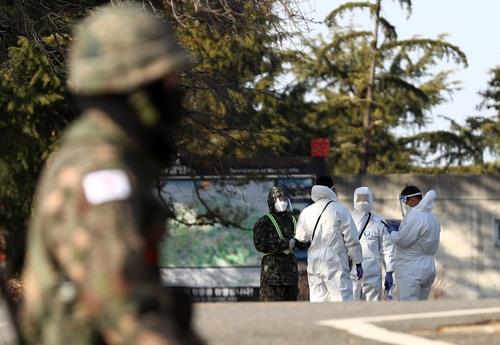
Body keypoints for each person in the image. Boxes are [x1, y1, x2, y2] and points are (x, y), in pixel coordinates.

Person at [20, 4, 203, 345]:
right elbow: (125, 311)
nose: (176, 87)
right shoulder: (102, 172)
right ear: (134, 87)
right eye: (165, 77)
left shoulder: (99, 156)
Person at [293, 175, 363, 302]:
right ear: (332, 189)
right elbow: (352, 240)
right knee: (341, 299)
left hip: (314, 258)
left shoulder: (306, 212)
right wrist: (358, 262)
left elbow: (301, 238)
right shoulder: (340, 210)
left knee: (317, 300)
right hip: (334, 258)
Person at [386, 185, 441, 300]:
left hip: (411, 270)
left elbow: (402, 241)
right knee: (421, 308)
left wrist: (392, 232)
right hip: (428, 268)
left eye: (406, 202)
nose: (406, 205)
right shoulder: (433, 217)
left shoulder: (416, 215)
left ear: (413, 200)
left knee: (409, 308)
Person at [253, 186, 306, 301]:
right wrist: (285, 244)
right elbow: (260, 244)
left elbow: (303, 242)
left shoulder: (293, 220)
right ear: (272, 201)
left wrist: (297, 242)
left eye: (285, 199)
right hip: (273, 275)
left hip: (290, 274)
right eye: (279, 199)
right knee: (270, 308)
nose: (282, 202)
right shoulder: (264, 222)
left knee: (291, 308)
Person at [350, 187, 395, 301]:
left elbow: (387, 248)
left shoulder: (378, 221)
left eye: (365, 198)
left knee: (367, 307)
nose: (363, 201)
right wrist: (389, 271)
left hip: (370, 275)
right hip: (353, 273)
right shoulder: (346, 218)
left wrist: (389, 271)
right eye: (361, 198)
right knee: (350, 308)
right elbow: (387, 249)